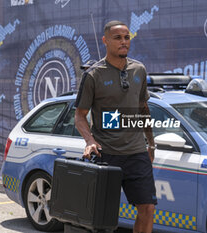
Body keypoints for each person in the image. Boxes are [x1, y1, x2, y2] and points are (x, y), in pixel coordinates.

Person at [74, 20, 156, 233]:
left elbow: (143, 107)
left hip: (137, 153)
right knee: (102, 216)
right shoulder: (93, 74)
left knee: (147, 208)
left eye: (127, 37)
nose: (123, 42)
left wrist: (151, 144)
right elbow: (80, 116)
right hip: (106, 154)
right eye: (117, 38)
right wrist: (90, 141)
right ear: (105, 41)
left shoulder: (139, 70)